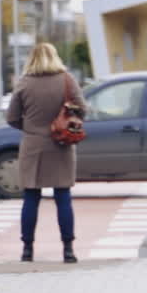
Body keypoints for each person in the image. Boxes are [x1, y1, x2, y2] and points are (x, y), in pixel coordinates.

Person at [6, 42, 86, 264]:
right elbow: (83, 109)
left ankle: (27, 250)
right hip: (61, 144)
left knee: (31, 198)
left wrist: (31, 128)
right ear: (55, 56)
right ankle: (68, 250)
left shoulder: (24, 83)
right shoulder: (67, 80)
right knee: (63, 198)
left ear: (32, 59)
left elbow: (11, 117)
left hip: (33, 147)